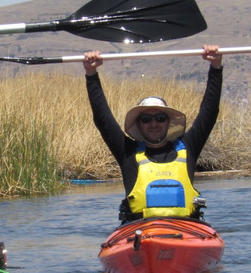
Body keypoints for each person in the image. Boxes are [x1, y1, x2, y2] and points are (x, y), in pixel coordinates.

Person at [82, 45, 223, 223]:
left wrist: (216, 67)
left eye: (160, 117)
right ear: (139, 124)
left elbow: (209, 112)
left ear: (168, 121)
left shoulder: (188, 147)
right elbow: (103, 119)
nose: (154, 123)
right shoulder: (128, 153)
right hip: (140, 232)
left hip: (185, 231)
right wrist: (91, 74)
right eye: (147, 118)